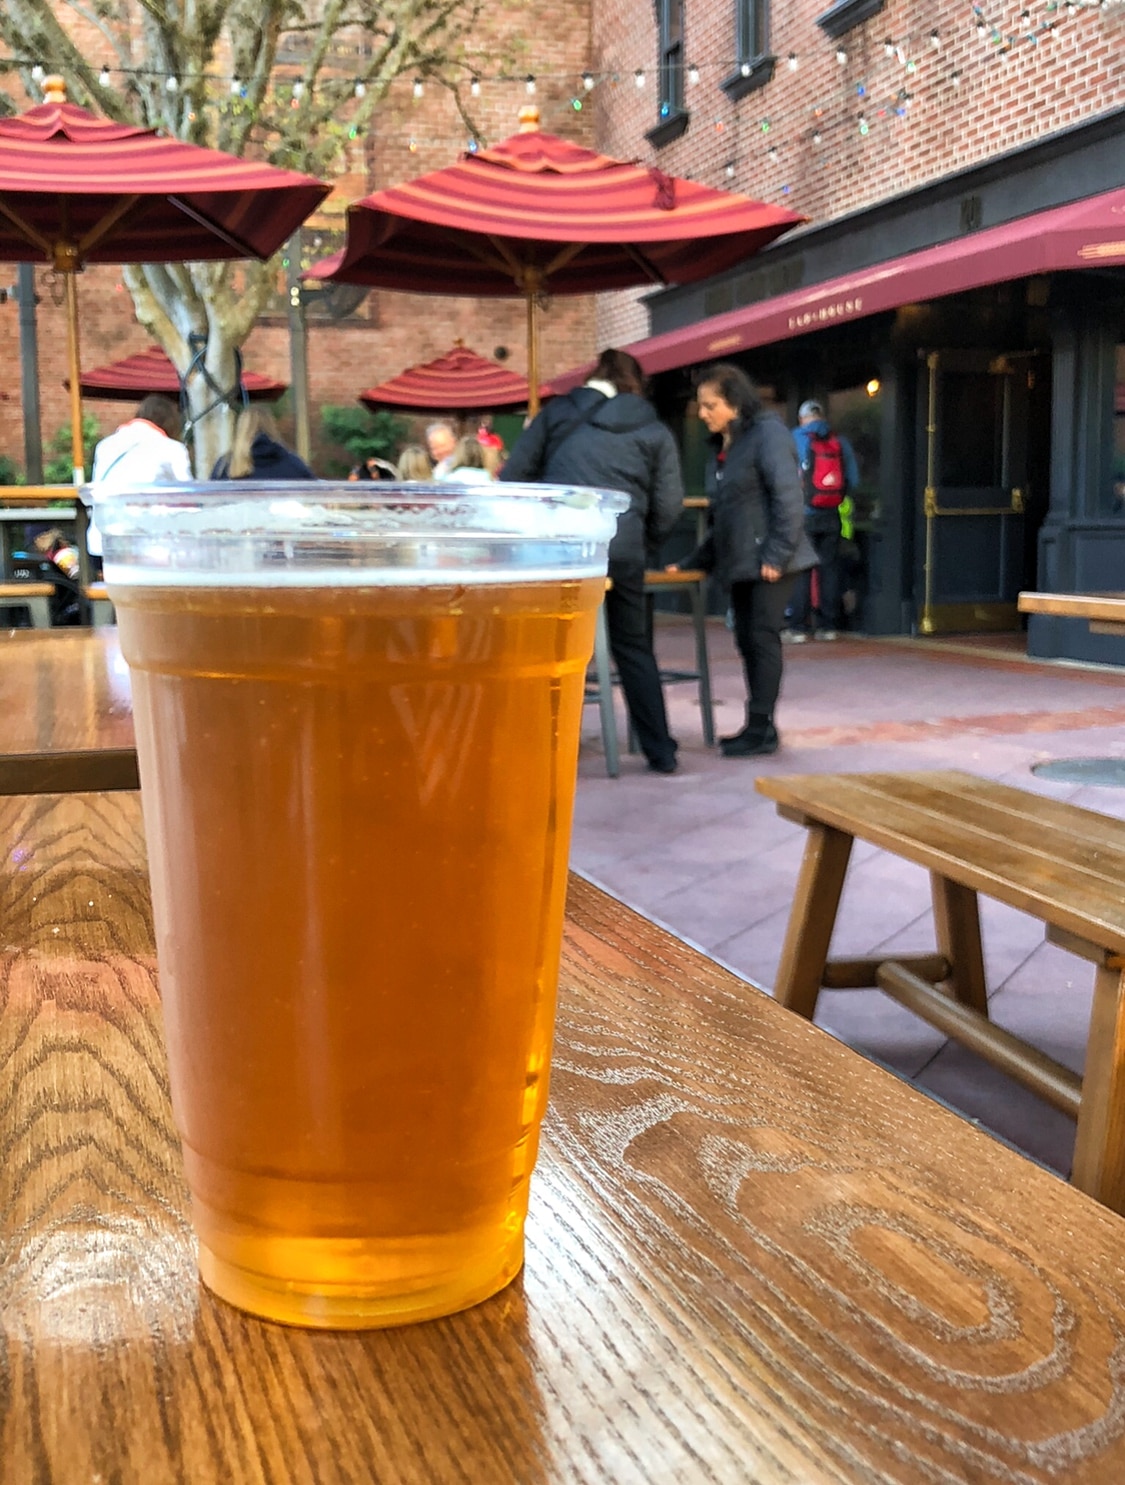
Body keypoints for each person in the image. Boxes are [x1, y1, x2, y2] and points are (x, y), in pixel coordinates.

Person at [501, 347, 684, 775]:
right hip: (622, 548)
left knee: (556, 648)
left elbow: (513, 480)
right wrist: (641, 542)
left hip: (561, 549)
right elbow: (670, 505)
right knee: (634, 647)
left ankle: (544, 746)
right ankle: (661, 751)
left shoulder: (555, 414)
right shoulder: (652, 427)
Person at [677, 364, 816, 759]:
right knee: (748, 640)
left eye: (710, 405)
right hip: (742, 560)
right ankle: (758, 725)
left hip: (770, 560)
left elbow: (789, 499)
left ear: (735, 403)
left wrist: (775, 554)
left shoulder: (768, 435)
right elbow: (724, 515)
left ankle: (761, 728)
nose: (702, 413)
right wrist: (696, 559)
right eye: (701, 406)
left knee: (761, 638)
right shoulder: (727, 445)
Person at [785, 399, 860, 642]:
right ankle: (828, 626)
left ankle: (798, 628)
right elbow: (853, 480)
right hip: (831, 515)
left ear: (802, 418)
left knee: (801, 570)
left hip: (802, 515)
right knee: (829, 569)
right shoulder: (839, 441)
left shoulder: (794, 438)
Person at [87, 394, 192, 561]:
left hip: (102, 543)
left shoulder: (105, 445)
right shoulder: (172, 449)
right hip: (151, 547)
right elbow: (188, 498)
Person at [211, 406, 314, 481]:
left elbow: (210, 505)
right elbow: (316, 499)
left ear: (240, 430)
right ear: (272, 427)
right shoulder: (294, 464)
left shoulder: (224, 466)